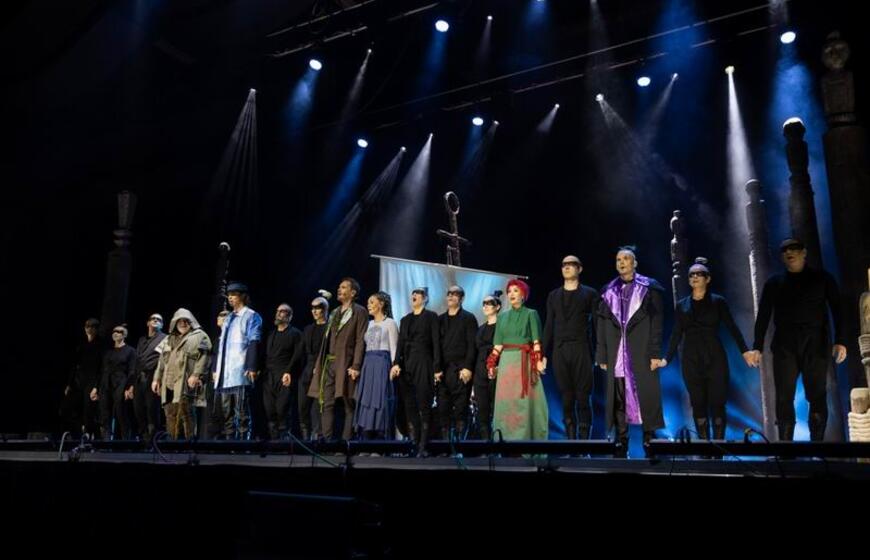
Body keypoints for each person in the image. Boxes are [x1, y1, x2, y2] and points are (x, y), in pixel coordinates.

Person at [750, 238, 847, 441]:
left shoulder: (822, 279)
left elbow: (838, 310)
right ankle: (786, 449)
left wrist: (841, 341)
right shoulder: (774, 283)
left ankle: (817, 447)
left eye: (793, 248)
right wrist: (757, 346)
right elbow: (763, 316)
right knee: (784, 397)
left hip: (815, 343)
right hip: (785, 345)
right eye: (784, 250)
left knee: (817, 394)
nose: (789, 252)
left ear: (804, 252)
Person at [663, 258, 754, 440]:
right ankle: (704, 445)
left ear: (708, 278)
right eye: (692, 275)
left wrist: (745, 351)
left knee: (718, 403)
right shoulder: (682, 305)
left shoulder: (718, 302)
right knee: (697, 403)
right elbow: (676, 333)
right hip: (691, 358)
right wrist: (667, 358)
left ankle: (719, 444)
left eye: (699, 274)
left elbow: (732, 327)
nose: (695, 277)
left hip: (715, 356)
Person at [596, 246, 666, 457]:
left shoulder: (649, 288)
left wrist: (655, 352)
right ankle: (621, 440)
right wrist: (601, 354)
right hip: (617, 353)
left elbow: (657, 323)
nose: (622, 262)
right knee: (618, 398)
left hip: (641, 350)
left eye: (626, 258)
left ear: (635, 263)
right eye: (618, 259)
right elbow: (601, 325)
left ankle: (649, 438)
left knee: (645, 394)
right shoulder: (608, 291)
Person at [542, 255, 600, 440]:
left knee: (583, 397)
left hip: (582, 348)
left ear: (579, 269)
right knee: (566, 398)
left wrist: (601, 352)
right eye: (564, 265)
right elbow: (549, 325)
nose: (566, 267)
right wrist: (542, 354)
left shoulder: (590, 294)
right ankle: (571, 443)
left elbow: (597, 324)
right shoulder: (553, 296)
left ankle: (584, 444)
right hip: (560, 350)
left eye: (571, 264)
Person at [486, 279, 549, 440]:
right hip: (507, 363)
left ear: (523, 294)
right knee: (507, 402)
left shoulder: (531, 314)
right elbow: (498, 345)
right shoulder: (502, 317)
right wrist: (491, 364)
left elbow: (536, 342)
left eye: (515, 290)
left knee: (524, 401)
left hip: (524, 361)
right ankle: (505, 440)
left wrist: (538, 362)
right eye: (509, 291)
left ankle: (525, 439)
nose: (511, 294)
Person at [308, 278, 367, 440]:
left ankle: (346, 443)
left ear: (353, 293)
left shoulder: (359, 311)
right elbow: (327, 339)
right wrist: (320, 363)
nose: (339, 289)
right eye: (339, 287)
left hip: (346, 363)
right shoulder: (334, 312)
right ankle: (327, 442)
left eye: (344, 287)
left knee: (348, 403)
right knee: (326, 403)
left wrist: (356, 365)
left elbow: (360, 339)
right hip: (329, 363)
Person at [390, 287, 442, 456]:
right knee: (409, 405)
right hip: (407, 364)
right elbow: (400, 344)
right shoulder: (405, 319)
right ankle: (414, 442)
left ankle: (423, 445)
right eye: (413, 294)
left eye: (418, 294)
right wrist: (396, 364)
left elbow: (436, 343)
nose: (414, 296)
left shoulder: (431, 316)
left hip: (424, 362)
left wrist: (437, 368)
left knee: (424, 403)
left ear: (425, 298)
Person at [213, 282, 263, 440]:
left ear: (243, 296)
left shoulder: (251, 316)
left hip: (240, 370)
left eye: (234, 295)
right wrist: (216, 369)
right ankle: (230, 444)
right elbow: (220, 345)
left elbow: (254, 341)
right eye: (229, 295)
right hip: (225, 373)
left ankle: (243, 445)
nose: (230, 298)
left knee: (242, 412)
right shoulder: (228, 318)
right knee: (226, 413)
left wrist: (252, 366)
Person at [152, 309, 212, 439]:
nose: (183, 323)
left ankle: (189, 444)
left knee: (186, 413)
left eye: (186, 321)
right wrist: (156, 379)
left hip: (185, 382)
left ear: (192, 322)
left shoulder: (200, 336)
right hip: (168, 383)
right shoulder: (168, 339)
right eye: (180, 321)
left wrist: (196, 374)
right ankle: (172, 444)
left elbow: (204, 358)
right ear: (175, 323)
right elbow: (161, 361)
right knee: (170, 414)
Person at [354, 291, 399, 439]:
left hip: (382, 363)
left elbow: (394, 348)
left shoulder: (390, 323)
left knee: (380, 399)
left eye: (372, 302)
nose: (368, 305)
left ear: (381, 304)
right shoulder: (368, 324)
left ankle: (380, 437)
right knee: (367, 398)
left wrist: (394, 365)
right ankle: (366, 435)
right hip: (368, 364)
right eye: (368, 302)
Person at [437, 285, 478, 440]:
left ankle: (460, 445)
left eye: (455, 294)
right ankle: (445, 445)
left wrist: (468, 367)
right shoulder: (440, 319)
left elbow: (472, 345)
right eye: (449, 293)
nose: (450, 296)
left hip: (461, 370)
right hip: (443, 371)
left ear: (461, 298)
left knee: (461, 410)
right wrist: (436, 368)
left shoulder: (469, 318)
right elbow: (436, 346)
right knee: (442, 408)